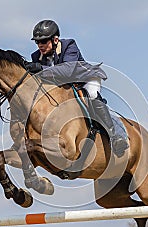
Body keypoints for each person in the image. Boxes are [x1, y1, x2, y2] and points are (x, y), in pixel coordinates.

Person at [26, 19, 129, 157]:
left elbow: (67, 71)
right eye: (37, 42)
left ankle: (116, 135)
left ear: (55, 39)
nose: (40, 45)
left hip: (85, 80)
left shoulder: (69, 46)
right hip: (64, 87)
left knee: (92, 96)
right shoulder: (36, 56)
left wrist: (40, 69)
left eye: (43, 41)